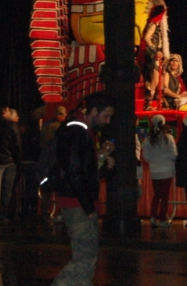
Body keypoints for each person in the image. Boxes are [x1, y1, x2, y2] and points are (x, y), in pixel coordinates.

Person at [51, 91, 115, 286]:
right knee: (85, 256)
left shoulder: (78, 128)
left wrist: (102, 163)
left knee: (87, 255)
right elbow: (74, 170)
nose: (108, 121)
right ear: (94, 111)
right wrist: (87, 206)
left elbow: (82, 168)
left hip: (76, 200)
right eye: (106, 116)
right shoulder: (77, 130)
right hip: (77, 202)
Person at [0, 105, 22, 222]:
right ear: (4, 111)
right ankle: (3, 214)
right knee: (6, 189)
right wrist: (18, 160)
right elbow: (17, 145)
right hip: (7, 161)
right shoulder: (10, 125)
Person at [141, 114, 178, 227]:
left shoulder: (147, 139)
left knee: (157, 195)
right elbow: (174, 155)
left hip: (155, 171)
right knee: (165, 196)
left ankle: (152, 217)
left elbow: (146, 157)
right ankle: (162, 219)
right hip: (167, 171)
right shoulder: (168, 138)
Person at [140, 0, 169, 105]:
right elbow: (147, 38)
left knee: (160, 79)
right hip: (152, 53)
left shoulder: (156, 25)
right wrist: (155, 50)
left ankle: (155, 100)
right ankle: (148, 102)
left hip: (156, 53)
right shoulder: (153, 24)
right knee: (155, 79)